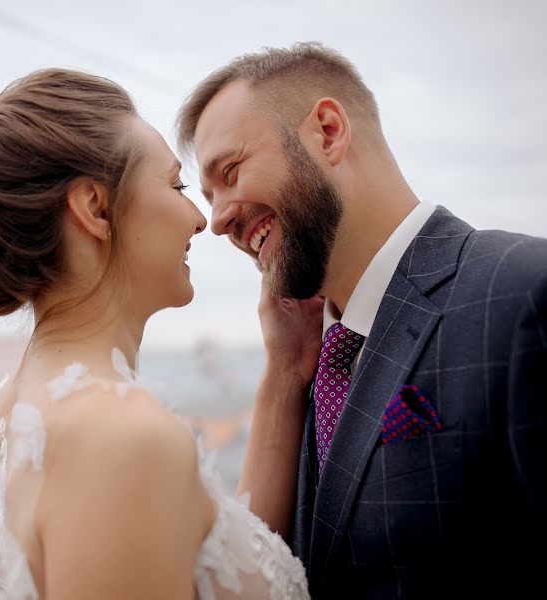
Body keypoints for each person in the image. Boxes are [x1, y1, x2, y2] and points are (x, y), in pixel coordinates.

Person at [177, 42, 547, 598]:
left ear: (327, 132)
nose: (218, 219)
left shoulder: (523, 290)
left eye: (230, 172)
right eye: (207, 195)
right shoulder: (306, 365)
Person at [0, 68, 315, 599]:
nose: (199, 219)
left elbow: (206, 564)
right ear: (95, 208)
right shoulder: (123, 437)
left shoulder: (16, 406)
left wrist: (285, 368)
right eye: (176, 185)